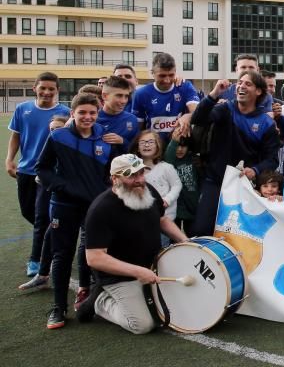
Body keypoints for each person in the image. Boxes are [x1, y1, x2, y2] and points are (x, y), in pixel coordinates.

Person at [76, 154, 188, 334]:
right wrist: (138, 272)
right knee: (143, 325)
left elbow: (162, 220)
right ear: (115, 179)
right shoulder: (101, 210)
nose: (139, 180)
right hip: (120, 276)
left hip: (153, 265)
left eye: (141, 173)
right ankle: (100, 300)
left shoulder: (147, 189)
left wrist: (186, 242)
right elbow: (95, 258)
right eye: (131, 176)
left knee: (184, 299)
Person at [36, 93, 117, 329]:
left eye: (92, 112)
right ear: (72, 114)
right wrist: (64, 187)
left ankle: (86, 295)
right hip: (64, 205)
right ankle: (58, 307)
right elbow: (42, 169)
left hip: (94, 207)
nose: (87, 117)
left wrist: (104, 192)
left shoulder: (105, 137)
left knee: (90, 252)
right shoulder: (58, 137)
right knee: (62, 254)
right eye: (82, 112)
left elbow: (108, 174)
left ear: (98, 113)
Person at [189, 71, 280, 236]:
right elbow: (198, 118)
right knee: (201, 229)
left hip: (243, 186)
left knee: (238, 234)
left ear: (258, 91)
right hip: (215, 182)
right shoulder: (225, 109)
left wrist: (255, 170)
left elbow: (272, 160)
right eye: (240, 82)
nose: (241, 86)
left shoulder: (266, 124)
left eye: (248, 83)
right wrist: (214, 93)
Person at [7, 71, 71, 276]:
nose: (46, 92)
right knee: (28, 211)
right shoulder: (22, 109)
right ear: (35, 88)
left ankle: (35, 260)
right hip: (26, 169)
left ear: (57, 91)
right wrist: (9, 159)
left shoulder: (66, 112)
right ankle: (52, 237)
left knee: (42, 216)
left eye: (51, 89)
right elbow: (16, 136)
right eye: (42, 88)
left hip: (49, 172)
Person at [131, 53, 200, 143]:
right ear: (153, 73)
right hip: (154, 148)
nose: (167, 80)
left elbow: (197, 111)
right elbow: (137, 128)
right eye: (162, 76)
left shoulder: (185, 86)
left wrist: (188, 116)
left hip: (179, 147)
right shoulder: (141, 93)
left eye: (171, 75)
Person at [130, 129, 182, 224]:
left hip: (164, 219)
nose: (146, 145)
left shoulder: (166, 167)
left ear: (157, 146)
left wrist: (167, 200)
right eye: (142, 142)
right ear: (137, 147)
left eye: (150, 142)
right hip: (142, 219)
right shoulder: (132, 170)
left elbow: (177, 185)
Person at [164, 135, 200, 234]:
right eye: (177, 145)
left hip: (192, 207)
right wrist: (174, 141)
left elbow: (200, 181)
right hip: (174, 209)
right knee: (173, 240)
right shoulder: (169, 161)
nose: (180, 149)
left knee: (194, 237)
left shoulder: (194, 160)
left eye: (183, 146)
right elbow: (168, 159)